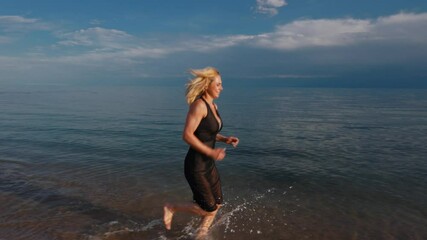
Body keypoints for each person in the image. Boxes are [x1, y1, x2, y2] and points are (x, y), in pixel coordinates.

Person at [163, 67, 239, 239]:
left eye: (221, 84)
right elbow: (187, 135)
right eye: (218, 84)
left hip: (208, 165)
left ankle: (201, 234)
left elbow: (207, 133)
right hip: (196, 166)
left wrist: (225, 139)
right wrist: (211, 152)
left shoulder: (213, 105)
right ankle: (172, 207)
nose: (221, 88)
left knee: (217, 203)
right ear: (207, 85)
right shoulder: (199, 106)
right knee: (208, 208)